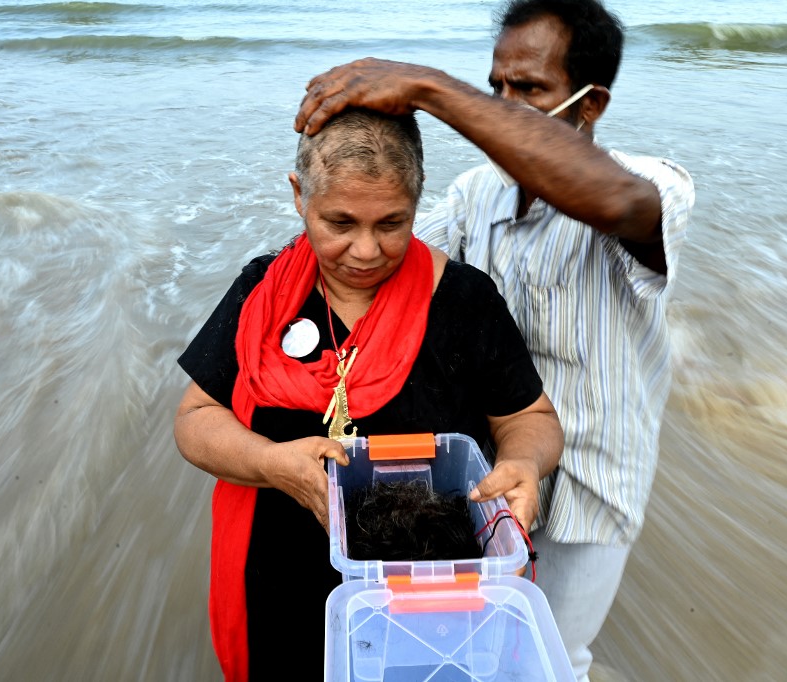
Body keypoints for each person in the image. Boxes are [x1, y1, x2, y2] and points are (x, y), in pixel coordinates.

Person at [293, 1, 696, 679]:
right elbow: (382, 260)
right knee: (467, 646)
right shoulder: (476, 194)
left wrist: (428, 88)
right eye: (496, 88)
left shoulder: (655, 187)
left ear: (590, 103)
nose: (504, 109)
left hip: (594, 483)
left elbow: (618, 206)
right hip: (488, 471)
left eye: (529, 90)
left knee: (556, 656)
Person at [174, 108, 564, 681]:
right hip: (278, 581)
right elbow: (195, 418)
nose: (364, 250)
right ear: (299, 195)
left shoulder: (463, 302)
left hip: (429, 600)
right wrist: (269, 462)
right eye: (340, 222)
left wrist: (524, 462)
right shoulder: (261, 290)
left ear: (417, 200)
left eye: (391, 223)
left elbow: (529, 417)